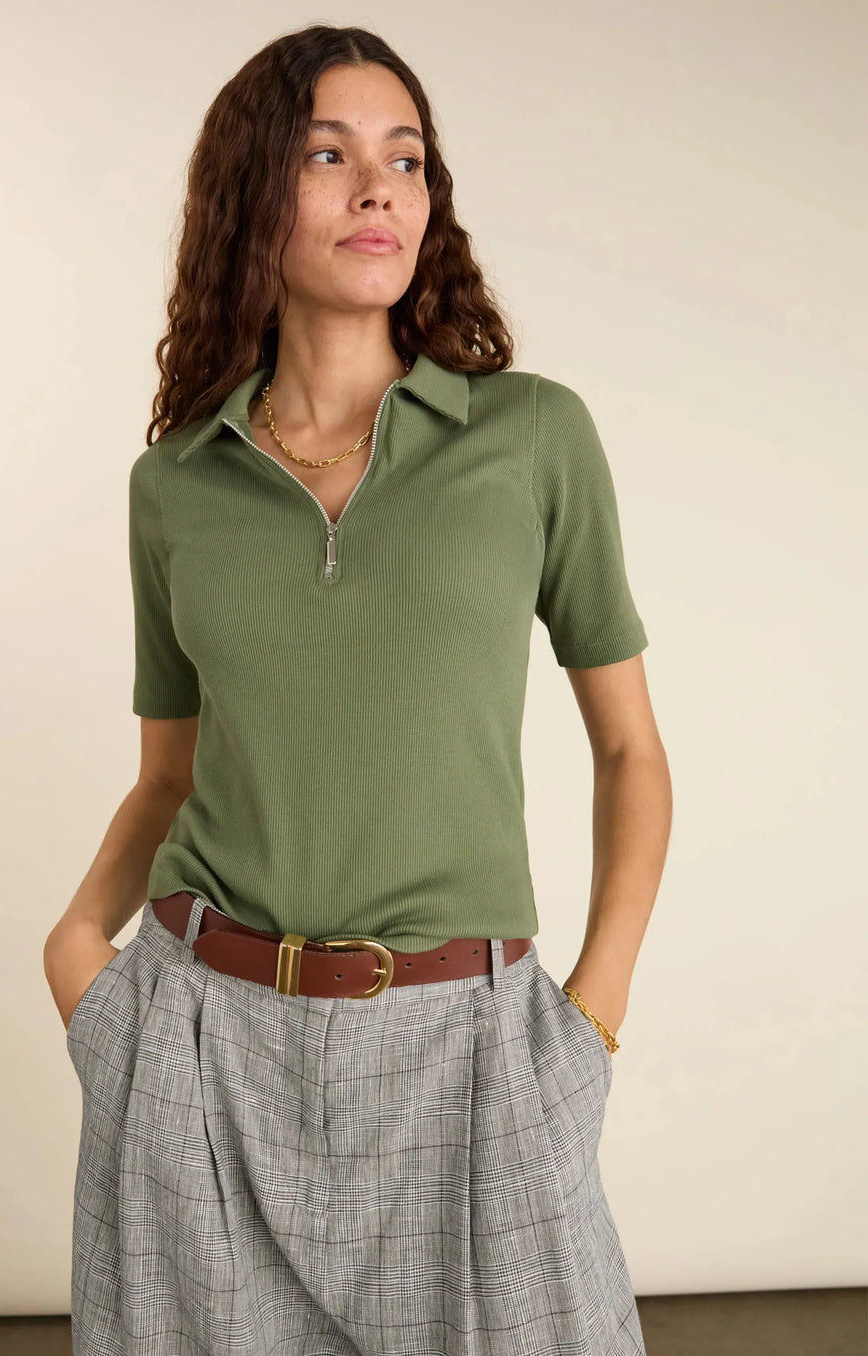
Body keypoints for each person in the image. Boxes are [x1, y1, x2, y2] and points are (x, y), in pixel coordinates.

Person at [43, 22, 672, 1356]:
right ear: (251, 192)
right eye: (328, 155)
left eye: (406, 157)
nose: (379, 187)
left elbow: (629, 751)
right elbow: (168, 777)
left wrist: (591, 1022)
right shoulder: (177, 485)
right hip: (204, 1048)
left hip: (473, 1051)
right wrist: (78, 954)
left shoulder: (532, 438)